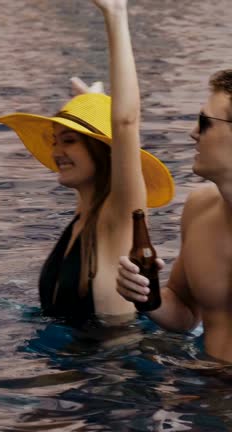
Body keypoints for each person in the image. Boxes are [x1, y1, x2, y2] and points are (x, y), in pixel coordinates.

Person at [0, 0, 174, 323]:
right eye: (55, 141)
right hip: (73, 362)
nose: (56, 152)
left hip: (112, 370)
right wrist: (90, 101)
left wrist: (115, 14)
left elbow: (125, 123)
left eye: (70, 141)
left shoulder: (118, 216)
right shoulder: (85, 212)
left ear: (103, 151)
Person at [117, 69, 232, 363]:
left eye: (205, 122)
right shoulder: (200, 207)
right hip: (206, 390)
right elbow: (186, 313)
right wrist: (146, 296)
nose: (193, 132)